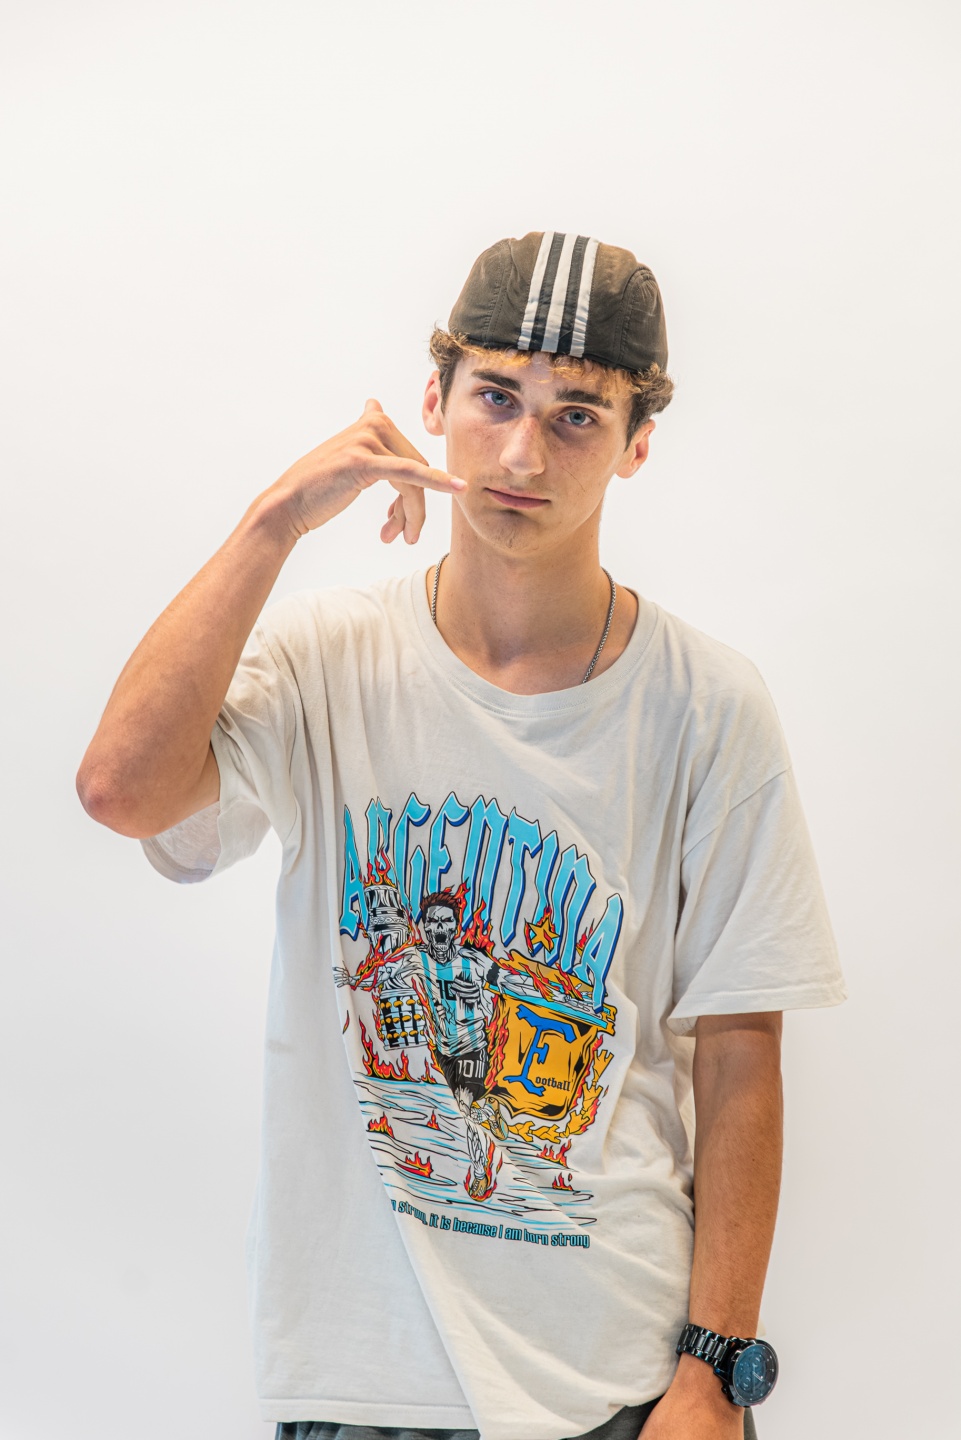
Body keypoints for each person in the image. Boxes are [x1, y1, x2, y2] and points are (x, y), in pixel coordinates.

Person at [77, 230, 846, 1440]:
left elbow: (740, 1046)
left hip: (616, 1379)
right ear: (432, 402)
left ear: (638, 442)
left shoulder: (706, 704)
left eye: (578, 415)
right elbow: (123, 789)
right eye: (494, 397)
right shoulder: (327, 658)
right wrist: (274, 521)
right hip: (359, 1374)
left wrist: (712, 1373)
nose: (523, 453)